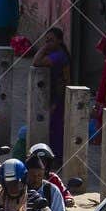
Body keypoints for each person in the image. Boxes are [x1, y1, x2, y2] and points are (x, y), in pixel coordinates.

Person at [31, 26, 71, 154]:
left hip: (59, 95)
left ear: (59, 41)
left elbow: (36, 62)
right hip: (54, 93)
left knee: (56, 128)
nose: (48, 43)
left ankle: (56, 156)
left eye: (51, 40)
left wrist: (43, 48)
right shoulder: (56, 53)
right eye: (46, 40)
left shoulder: (59, 56)